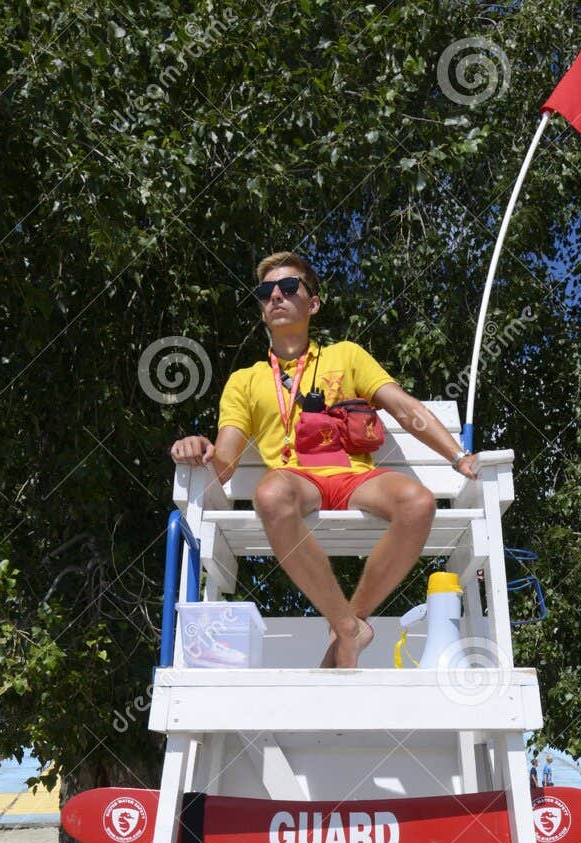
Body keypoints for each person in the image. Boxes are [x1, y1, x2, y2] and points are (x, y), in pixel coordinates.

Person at [169, 252, 479, 668]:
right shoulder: (244, 381)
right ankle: (350, 628)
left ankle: (350, 623)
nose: (275, 295)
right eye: (265, 291)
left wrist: (459, 458)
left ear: (312, 303)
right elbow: (224, 461)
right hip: (297, 480)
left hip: (355, 476)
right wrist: (199, 448)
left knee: (419, 502)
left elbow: (405, 409)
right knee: (270, 492)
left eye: (289, 287)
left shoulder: (346, 355)